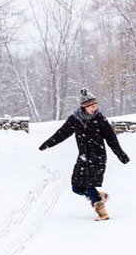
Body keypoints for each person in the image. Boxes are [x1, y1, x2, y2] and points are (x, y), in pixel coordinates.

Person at [39, 88, 130, 221]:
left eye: (95, 105)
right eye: (91, 106)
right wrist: (47, 144)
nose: (94, 108)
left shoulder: (100, 120)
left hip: (97, 157)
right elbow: (62, 133)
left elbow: (112, 139)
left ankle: (102, 213)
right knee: (76, 188)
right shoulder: (75, 119)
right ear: (84, 107)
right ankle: (100, 196)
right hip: (83, 158)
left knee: (89, 185)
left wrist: (121, 155)